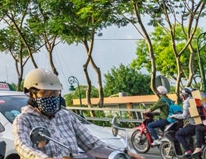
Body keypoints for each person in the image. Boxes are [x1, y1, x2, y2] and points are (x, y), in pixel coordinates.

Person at [14, 68, 144, 159]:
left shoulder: (66, 116)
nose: (51, 97)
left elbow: (92, 144)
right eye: (45, 93)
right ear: (32, 94)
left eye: (54, 93)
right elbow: (23, 146)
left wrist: (123, 152)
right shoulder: (24, 120)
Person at [171, 87, 196, 155]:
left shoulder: (187, 102)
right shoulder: (196, 100)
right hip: (200, 123)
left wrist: (174, 116)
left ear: (184, 95)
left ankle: (188, 150)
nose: (181, 95)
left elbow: (184, 116)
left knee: (178, 134)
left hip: (193, 124)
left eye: (182, 94)